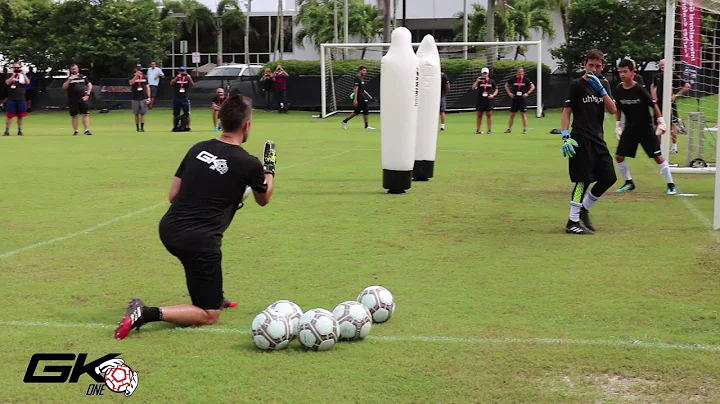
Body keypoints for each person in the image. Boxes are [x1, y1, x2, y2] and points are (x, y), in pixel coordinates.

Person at [113, 93, 277, 340]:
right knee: (209, 314)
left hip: (169, 229)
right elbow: (263, 199)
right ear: (247, 125)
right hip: (199, 242)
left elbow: (173, 195)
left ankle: (215, 294)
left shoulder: (198, 148)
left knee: (202, 263)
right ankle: (145, 313)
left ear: (220, 119)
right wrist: (270, 170)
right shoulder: (249, 163)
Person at [560, 49, 618, 235]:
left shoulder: (604, 84)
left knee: (609, 176)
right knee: (582, 180)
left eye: (597, 66)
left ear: (603, 67)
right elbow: (567, 111)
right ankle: (572, 221)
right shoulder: (576, 85)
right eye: (590, 65)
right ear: (584, 64)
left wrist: (601, 90)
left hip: (597, 138)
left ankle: (584, 208)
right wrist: (565, 136)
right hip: (580, 137)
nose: (593, 69)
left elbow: (612, 110)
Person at [613, 59, 677, 195]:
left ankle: (671, 185)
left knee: (657, 156)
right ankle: (628, 182)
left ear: (632, 72)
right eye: (620, 72)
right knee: (619, 156)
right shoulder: (618, 90)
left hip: (645, 128)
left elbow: (653, 105)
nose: (622, 75)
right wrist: (618, 124)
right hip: (630, 128)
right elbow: (618, 107)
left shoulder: (639, 89)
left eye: (625, 72)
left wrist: (660, 120)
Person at [651, 59, 691, 154]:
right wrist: (654, 97)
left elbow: (687, 86)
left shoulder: (673, 76)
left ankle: (674, 146)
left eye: (663, 64)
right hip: (659, 104)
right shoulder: (658, 77)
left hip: (670, 105)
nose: (662, 66)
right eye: (660, 65)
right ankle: (659, 147)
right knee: (657, 125)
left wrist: (675, 96)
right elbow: (653, 86)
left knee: (671, 125)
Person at [61, 64, 93, 136]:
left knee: (85, 114)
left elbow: (90, 85)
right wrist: (68, 81)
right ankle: (76, 131)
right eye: (72, 69)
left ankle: (86, 130)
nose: (74, 70)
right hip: (72, 99)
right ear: (70, 70)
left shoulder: (83, 77)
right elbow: (64, 87)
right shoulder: (68, 78)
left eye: (75, 69)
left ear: (78, 69)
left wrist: (87, 94)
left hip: (82, 98)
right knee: (74, 115)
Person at [342, 66, 375, 130]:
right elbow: (356, 89)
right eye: (364, 70)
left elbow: (362, 89)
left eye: (365, 71)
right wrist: (355, 99)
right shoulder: (357, 78)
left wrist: (368, 95)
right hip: (360, 96)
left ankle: (344, 121)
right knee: (366, 109)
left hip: (362, 95)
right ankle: (366, 126)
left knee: (357, 111)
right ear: (360, 71)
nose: (365, 72)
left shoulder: (361, 78)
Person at [504, 67, 535, 134]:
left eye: (522, 72)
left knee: (523, 114)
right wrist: (509, 93)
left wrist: (527, 93)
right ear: (517, 73)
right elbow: (506, 85)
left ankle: (525, 129)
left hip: (522, 99)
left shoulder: (526, 79)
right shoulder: (513, 79)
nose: (521, 73)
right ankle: (509, 129)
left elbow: (533, 86)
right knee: (512, 115)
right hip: (515, 99)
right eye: (519, 72)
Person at [4, 62, 30, 136]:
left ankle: (20, 130)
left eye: (17, 68)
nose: (16, 69)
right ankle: (7, 131)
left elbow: (28, 82)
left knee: (20, 116)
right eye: (15, 68)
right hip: (12, 98)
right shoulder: (10, 75)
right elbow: (7, 83)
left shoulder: (22, 76)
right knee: (10, 116)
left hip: (21, 98)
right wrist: (13, 75)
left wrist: (23, 73)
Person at [472, 67, 498, 134]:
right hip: (480, 100)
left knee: (489, 115)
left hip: (488, 100)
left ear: (488, 73)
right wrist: (477, 81)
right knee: (479, 115)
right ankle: (478, 129)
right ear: (481, 73)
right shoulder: (479, 81)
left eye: (486, 73)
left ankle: (489, 129)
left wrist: (493, 95)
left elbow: (496, 89)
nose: (484, 74)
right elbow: (473, 88)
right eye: (483, 73)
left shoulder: (492, 81)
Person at [170, 66, 194, 131]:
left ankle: (187, 126)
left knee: (187, 113)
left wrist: (190, 78)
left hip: (185, 98)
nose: (182, 72)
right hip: (177, 98)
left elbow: (192, 85)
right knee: (175, 114)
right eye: (181, 71)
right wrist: (177, 77)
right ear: (178, 71)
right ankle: (175, 126)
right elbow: (171, 83)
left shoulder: (187, 78)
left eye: (183, 71)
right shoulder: (177, 78)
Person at [129, 64, 151, 132]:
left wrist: (149, 97)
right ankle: (137, 128)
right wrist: (136, 76)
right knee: (136, 113)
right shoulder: (132, 76)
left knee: (143, 113)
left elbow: (148, 87)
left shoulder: (144, 77)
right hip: (135, 97)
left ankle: (142, 127)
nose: (139, 70)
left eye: (140, 69)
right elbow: (131, 83)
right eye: (138, 69)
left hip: (143, 97)